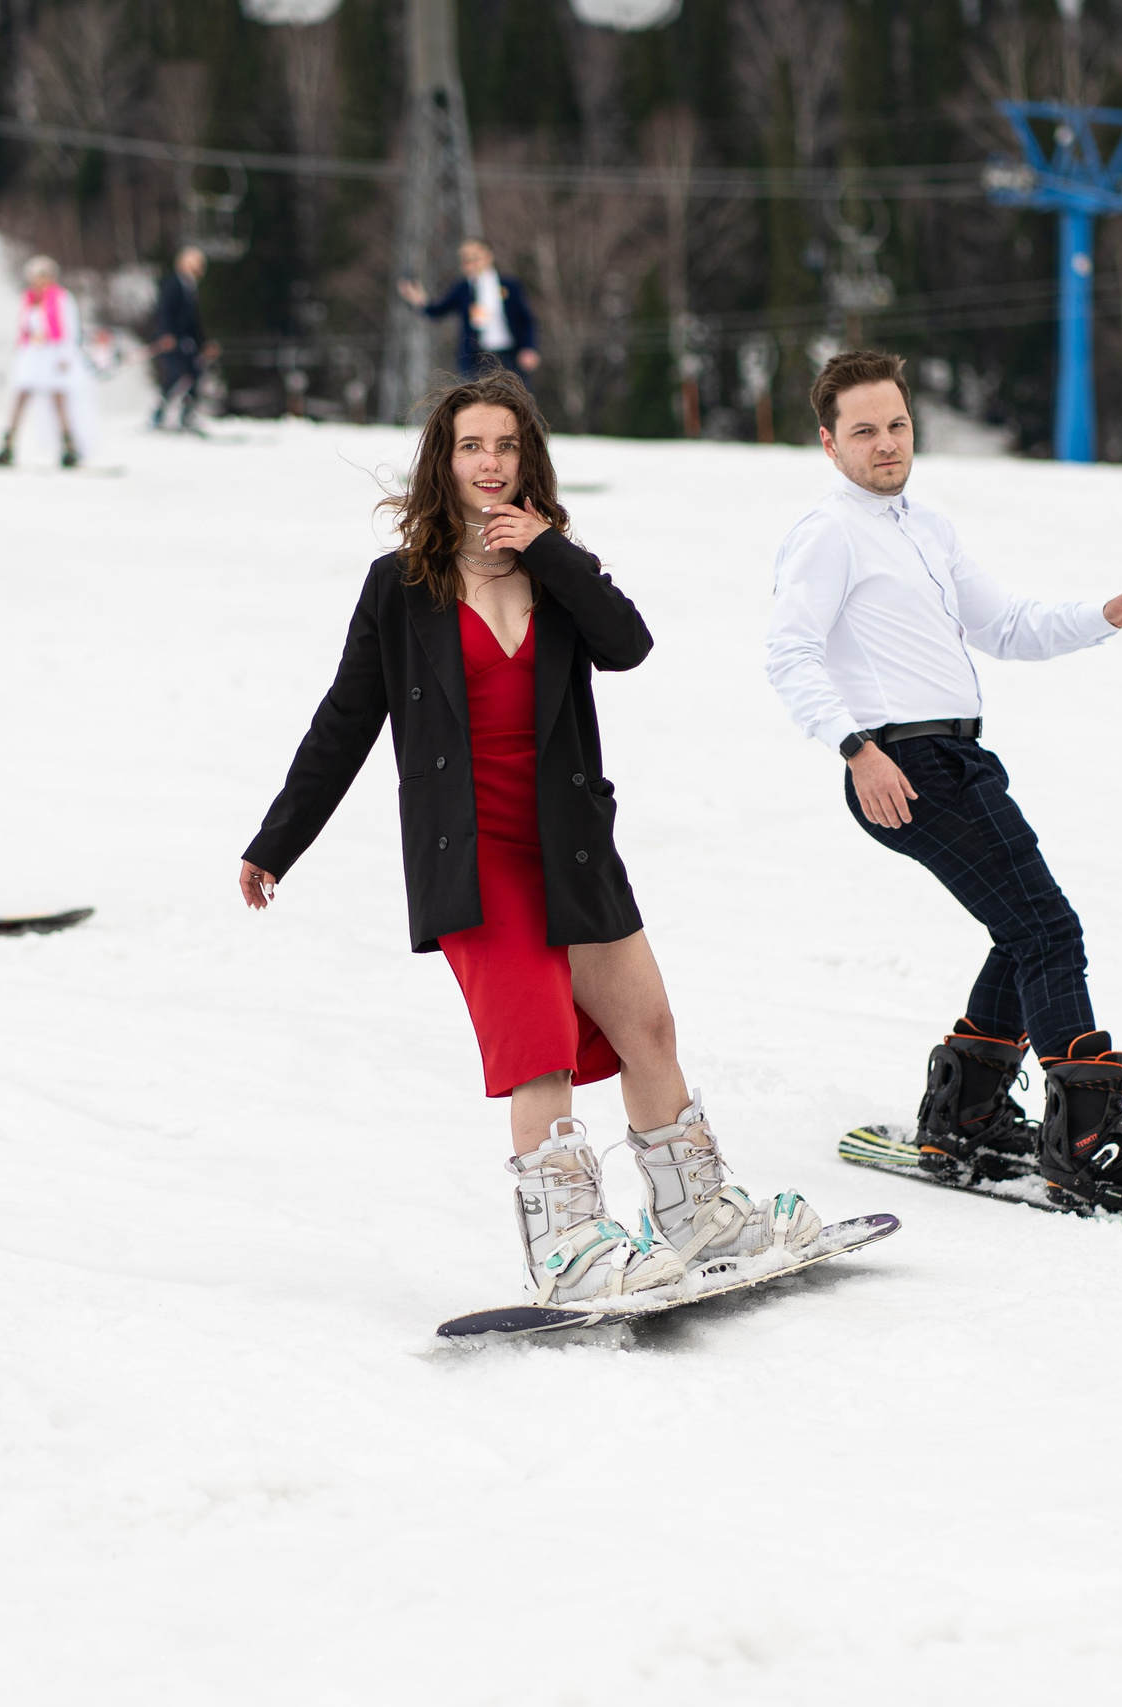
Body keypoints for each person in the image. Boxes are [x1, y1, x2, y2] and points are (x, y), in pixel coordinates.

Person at [239, 369, 821, 1309]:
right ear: (445, 461)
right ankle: (569, 1250)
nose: (490, 462)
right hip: (474, 857)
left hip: (571, 847)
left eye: (506, 445)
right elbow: (345, 720)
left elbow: (628, 645)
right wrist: (278, 840)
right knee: (541, 1050)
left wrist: (551, 552)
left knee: (649, 1029)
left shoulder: (558, 572)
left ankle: (697, 1218)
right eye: (472, 445)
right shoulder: (400, 588)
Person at [764, 349, 1122, 1209]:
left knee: (1025, 926)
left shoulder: (926, 528)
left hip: (960, 759)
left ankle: (966, 1109)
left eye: (897, 424)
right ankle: (1089, 1140)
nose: (886, 443)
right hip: (904, 763)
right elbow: (789, 653)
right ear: (829, 443)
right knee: (1048, 927)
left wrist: (1103, 616)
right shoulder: (828, 534)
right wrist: (857, 750)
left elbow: (1003, 626)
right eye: (864, 430)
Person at [0, 255, 88, 469]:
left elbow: (70, 329)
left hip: (53, 353)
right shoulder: (29, 299)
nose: (40, 280)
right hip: (32, 354)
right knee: (21, 396)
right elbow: (24, 328)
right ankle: (8, 444)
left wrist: (65, 356)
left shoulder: (61, 298)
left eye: (44, 275)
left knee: (57, 397)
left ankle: (69, 447)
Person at [399, 239, 540, 384]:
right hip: (477, 359)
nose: (469, 263)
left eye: (474, 257)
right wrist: (418, 299)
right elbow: (437, 310)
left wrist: (529, 348)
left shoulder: (509, 285)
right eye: (465, 259)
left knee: (516, 401)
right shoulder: (463, 289)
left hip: (510, 356)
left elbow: (526, 320)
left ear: (488, 256)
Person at [149, 245, 213, 433]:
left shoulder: (190, 286)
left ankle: (186, 415)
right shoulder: (174, 283)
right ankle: (160, 415)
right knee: (177, 376)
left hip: (186, 341)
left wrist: (204, 343)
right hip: (173, 341)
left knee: (193, 375)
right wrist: (165, 334)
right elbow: (165, 311)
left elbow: (193, 321)